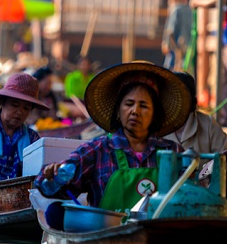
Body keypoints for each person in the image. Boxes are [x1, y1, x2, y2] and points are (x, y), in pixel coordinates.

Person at [36, 61, 191, 210]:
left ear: (155, 114)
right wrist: (52, 177)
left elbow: (191, 196)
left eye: (143, 106)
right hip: (108, 234)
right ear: (118, 110)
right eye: (129, 104)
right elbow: (51, 188)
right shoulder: (96, 150)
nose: (135, 111)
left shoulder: (173, 152)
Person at [164, 72, 227, 154]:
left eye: (180, 97)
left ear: (190, 98)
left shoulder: (208, 125)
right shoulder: (158, 128)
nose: (175, 102)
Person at [161, 0, 192, 71]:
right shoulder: (190, 9)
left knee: (169, 70)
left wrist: (166, 44)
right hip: (189, 45)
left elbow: (170, 31)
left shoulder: (175, 9)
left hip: (176, 46)